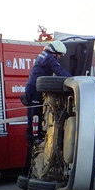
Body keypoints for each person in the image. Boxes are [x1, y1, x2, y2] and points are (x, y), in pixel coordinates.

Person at [23, 41, 71, 175]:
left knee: (32, 114)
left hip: (32, 87)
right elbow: (60, 72)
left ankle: (32, 135)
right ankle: (36, 136)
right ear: (54, 52)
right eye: (59, 55)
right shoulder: (49, 58)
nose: (59, 57)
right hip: (35, 89)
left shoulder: (42, 55)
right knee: (36, 113)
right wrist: (74, 80)